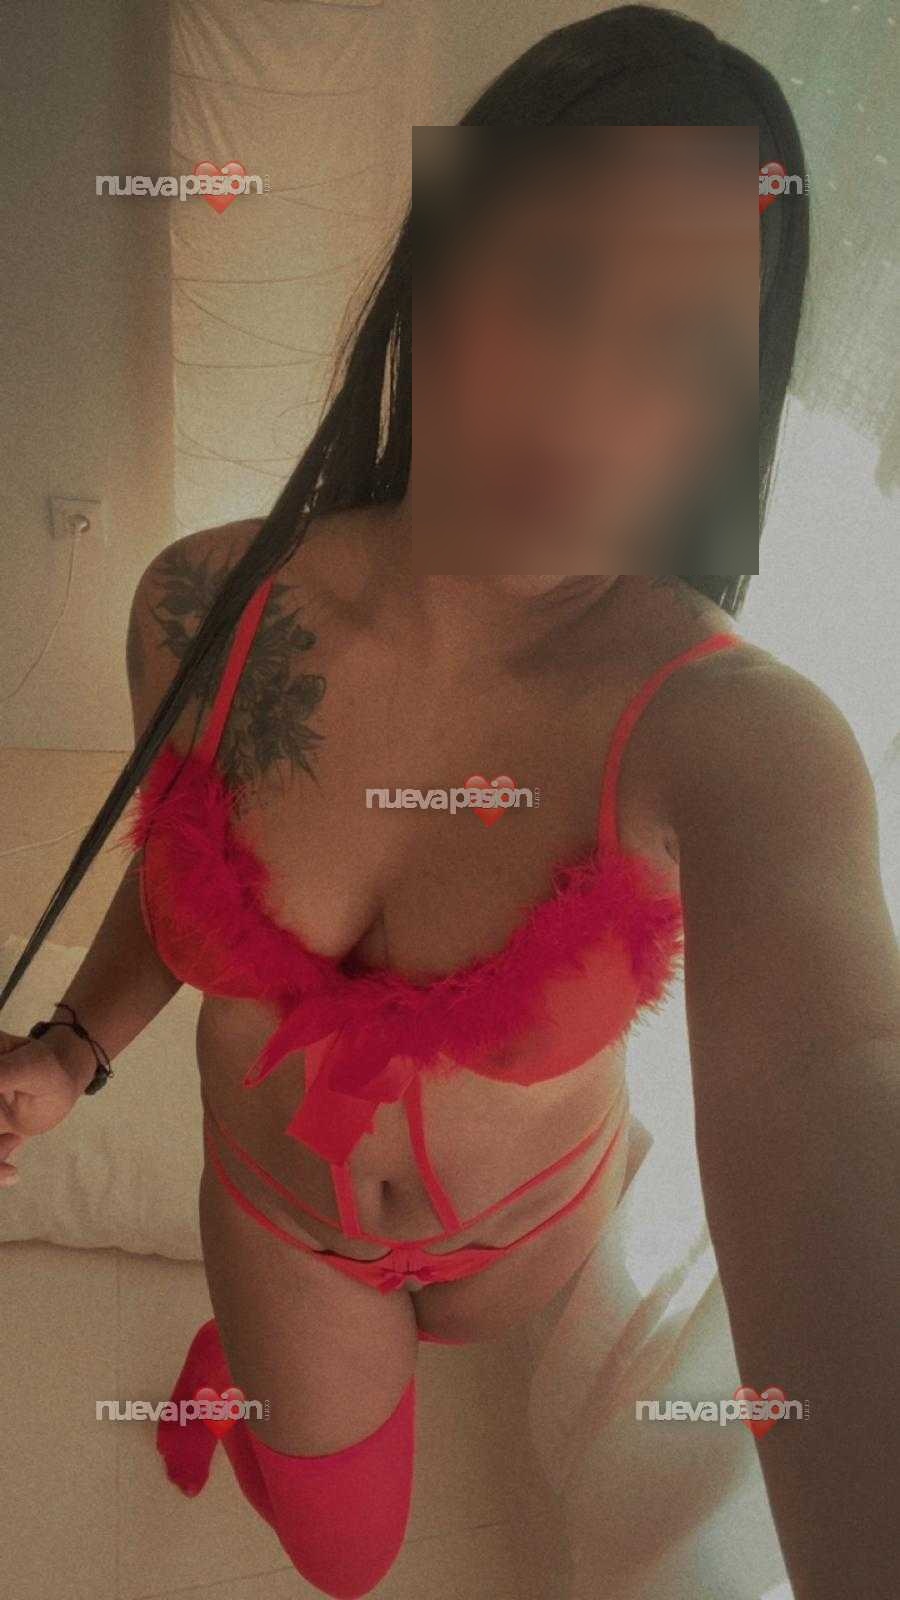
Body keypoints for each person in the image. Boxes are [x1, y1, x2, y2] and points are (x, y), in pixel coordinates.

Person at [2, 10, 898, 1599]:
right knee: (345, 1561)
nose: (587, 393)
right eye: (552, 280)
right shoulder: (199, 608)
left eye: (680, 345)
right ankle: (251, 1385)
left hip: (533, 1242)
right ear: (436, 263)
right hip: (286, 1232)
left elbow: (842, 1086)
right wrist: (72, 1051)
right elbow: (183, 871)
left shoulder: (738, 736)